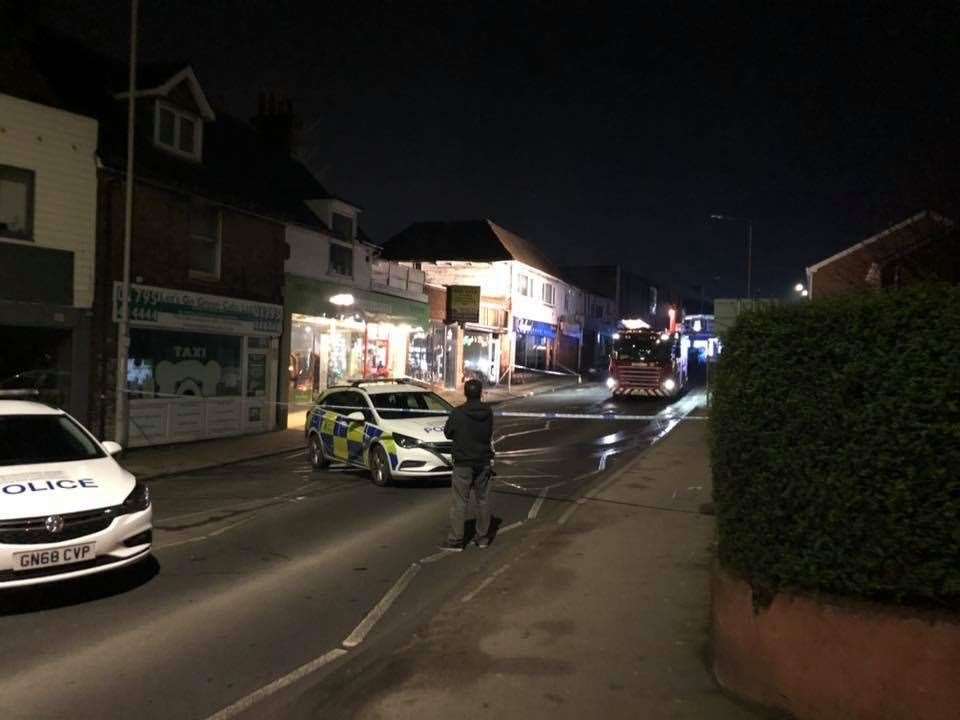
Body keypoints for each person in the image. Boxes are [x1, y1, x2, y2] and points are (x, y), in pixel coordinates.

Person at [440, 378, 494, 551]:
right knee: (483, 500)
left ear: (465, 393)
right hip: (483, 461)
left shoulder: (458, 413)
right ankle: (483, 538)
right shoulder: (488, 412)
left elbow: (448, 433)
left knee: (460, 502)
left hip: (463, 463)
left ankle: (456, 540)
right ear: (480, 393)